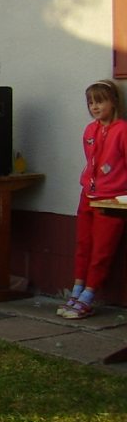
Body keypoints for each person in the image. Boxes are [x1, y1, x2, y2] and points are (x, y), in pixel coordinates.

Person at [60, 79, 127, 320]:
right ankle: (77, 288)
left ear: (114, 102)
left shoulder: (122, 130)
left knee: (101, 249)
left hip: (111, 199)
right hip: (88, 195)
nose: (95, 107)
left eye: (100, 101)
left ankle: (89, 295)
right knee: (84, 244)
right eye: (90, 103)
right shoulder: (90, 130)